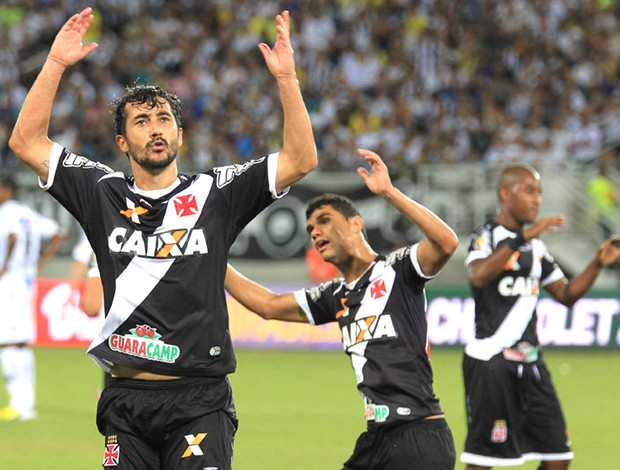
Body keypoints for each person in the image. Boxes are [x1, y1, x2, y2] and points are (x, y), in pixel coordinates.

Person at [9, 7, 317, 469]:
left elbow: (301, 158)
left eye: (164, 119)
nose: (155, 128)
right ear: (121, 141)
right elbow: (26, 142)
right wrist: (54, 65)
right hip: (126, 398)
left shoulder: (216, 192)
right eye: (141, 121)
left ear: (180, 131)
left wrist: (288, 78)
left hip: (199, 398)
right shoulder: (101, 191)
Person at [225, 148, 458, 470]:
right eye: (310, 230)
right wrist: (213, 257)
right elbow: (267, 305)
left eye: (324, 221)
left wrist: (389, 192)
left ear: (355, 224)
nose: (315, 232)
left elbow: (446, 242)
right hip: (376, 439)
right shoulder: (334, 295)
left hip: (418, 435)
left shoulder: (398, 270)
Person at [461, 163, 620, 469]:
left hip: (531, 363)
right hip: (491, 364)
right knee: (483, 460)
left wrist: (597, 263)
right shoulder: (487, 236)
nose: (537, 200)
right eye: (529, 191)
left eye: (540, 193)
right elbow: (478, 276)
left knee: (559, 456)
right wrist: (520, 239)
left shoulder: (536, 247)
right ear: (505, 195)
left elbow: (566, 295)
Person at [0, 172, 65, 421]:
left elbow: (13, 237)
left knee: (7, 341)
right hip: (26, 281)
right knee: (20, 342)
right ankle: (25, 403)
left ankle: (19, 403)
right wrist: (37, 265)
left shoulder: (7, 214)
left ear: (7, 190)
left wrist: (4, 267)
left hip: (9, 281)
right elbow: (59, 234)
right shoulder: (27, 214)